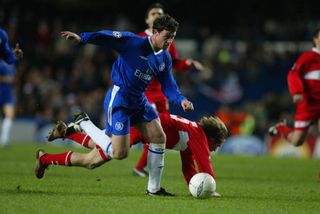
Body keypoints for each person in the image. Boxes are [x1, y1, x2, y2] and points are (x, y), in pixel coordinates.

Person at [36, 14, 194, 196]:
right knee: (116, 154)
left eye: (173, 37)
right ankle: (84, 123)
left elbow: (169, 85)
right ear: (156, 32)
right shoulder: (133, 43)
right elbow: (107, 37)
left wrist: (180, 99)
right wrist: (82, 38)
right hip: (120, 100)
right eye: (167, 36)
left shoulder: (164, 58)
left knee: (157, 137)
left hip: (139, 101)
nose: (170, 41)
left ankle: (154, 189)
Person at [36, 113, 228, 197]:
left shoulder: (192, 133)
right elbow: (205, 165)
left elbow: (188, 167)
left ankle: (68, 133)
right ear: (211, 138)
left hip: (145, 127)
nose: (214, 148)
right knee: (92, 160)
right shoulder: (199, 136)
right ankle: (48, 155)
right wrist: (211, 188)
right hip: (143, 127)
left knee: (99, 146)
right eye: (216, 145)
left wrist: (193, 187)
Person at [132, 3, 205, 177]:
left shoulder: (168, 42)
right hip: (144, 93)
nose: (157, 15)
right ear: (147, 19)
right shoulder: (138, 39)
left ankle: (144, 167)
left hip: (162, 94)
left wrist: (189, 63)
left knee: (160, 132)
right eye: (153, 13)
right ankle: (140, 165)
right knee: (152, 129)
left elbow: (175, 63)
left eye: (160, 13)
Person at [269, 28, 320, 146]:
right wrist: (297, 92)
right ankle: (282, 128)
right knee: (297, 141)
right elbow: (293, 73)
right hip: (308, 105)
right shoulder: (308, 57)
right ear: (315, 40)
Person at [0, 28, 23, 147]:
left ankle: (4, 139)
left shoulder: (11, 63)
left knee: (10, 114)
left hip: (8, 91)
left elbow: (15, 78)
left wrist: (15, 56)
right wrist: (5, 79)